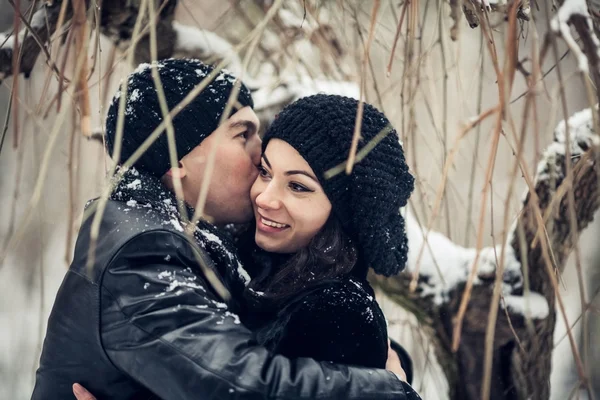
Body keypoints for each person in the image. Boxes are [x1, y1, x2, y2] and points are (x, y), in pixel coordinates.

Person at [31, 58, 413, 400]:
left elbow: (291, 325)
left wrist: (381, 357)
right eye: (242, 134)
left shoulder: (201, 239)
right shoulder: (143, 251)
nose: (258, 147)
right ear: (177, 158)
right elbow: (235, 384)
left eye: (296, 185)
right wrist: (388, 389)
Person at [237, 94, 416, 373]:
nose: (264, 199)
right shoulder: (245, 258)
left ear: (343, 212)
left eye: (297, 186)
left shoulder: (338, 314)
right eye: (265, 171)